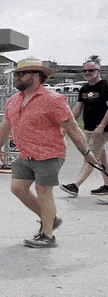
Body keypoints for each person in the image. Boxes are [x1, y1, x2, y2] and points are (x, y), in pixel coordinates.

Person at [0, 58, 99, 248]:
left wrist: (86, 152)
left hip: (49, 153)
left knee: (43, 191)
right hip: (25, 154)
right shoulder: (13, 100)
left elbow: (72, 128)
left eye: (21, 74)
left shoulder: (53, 100)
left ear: (37, 76)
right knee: (18, 188)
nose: (17, 77)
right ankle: (51, 219)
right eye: (16, 74)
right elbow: (6, 125)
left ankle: (47, 235)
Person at [59, 61, 108, 196]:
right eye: (85, 71)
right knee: (99, 154)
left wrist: (102, 126)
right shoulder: (84, 89)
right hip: (89, 128)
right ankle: (107, 185)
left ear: (98, 71)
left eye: (91, 70)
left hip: (102, 128)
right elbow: (78, 109)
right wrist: (67, 126)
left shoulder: (105, 87)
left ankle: (75, 185)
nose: (87, 73)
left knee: (90, 154)